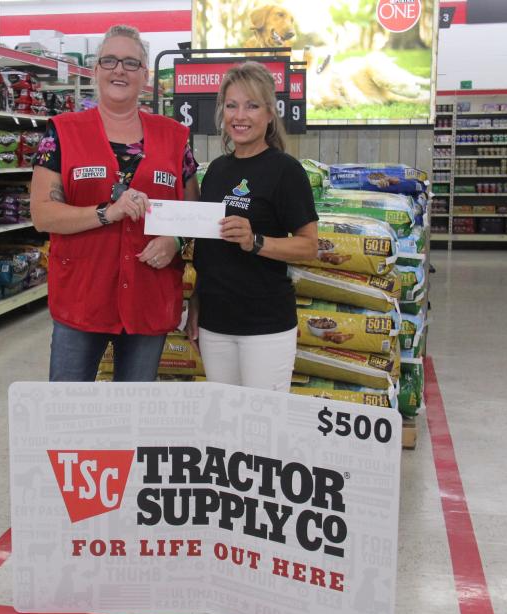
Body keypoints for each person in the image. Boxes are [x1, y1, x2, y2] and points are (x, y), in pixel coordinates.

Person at [31, 24, 199, 382]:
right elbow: (42, 214)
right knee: (67, 413)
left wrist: (176, 241)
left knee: (134, 419)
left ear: (145, 75)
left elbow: (192, 215)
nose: (119, 69)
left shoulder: (175, 138)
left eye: (130, 63)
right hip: (81, 296)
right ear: (95, 71)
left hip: (147, 296)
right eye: (109, 61)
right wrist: (108, 213)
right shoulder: (61, 132)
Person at [185, 62, 319, 393]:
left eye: (252, 105)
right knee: (226, 427)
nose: (239, 115)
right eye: (231, 105)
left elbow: (309, 246)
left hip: (265, 326)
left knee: (264, 430)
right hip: (216, 324)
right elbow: (208, 250)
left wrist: (256, 241)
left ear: (270, 114)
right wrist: (196, 305)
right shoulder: (215, 171)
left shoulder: (286, 171)